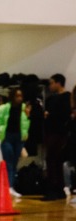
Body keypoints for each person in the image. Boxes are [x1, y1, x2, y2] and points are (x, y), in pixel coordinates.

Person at [0, 88, 30, 197]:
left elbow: (26, 122)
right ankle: (8, 186)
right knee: (9, 161)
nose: (19, 98)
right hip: (7, 136)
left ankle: (11, 186)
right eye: (17, 96)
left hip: (18, 137)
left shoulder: (24, 108)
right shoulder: (4, 108)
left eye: (20, 96)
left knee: (15, 161)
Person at [42, 73, 71, 201]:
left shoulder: (66, 97)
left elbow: (63, 115)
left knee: (53, 160)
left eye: (52, 83)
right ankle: (57, 188)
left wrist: (50, 115)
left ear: (58, 83)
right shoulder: (51, 99)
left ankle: (55, 189)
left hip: (59, 133)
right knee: (54, 160)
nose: (50, 86)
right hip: (52, 132)